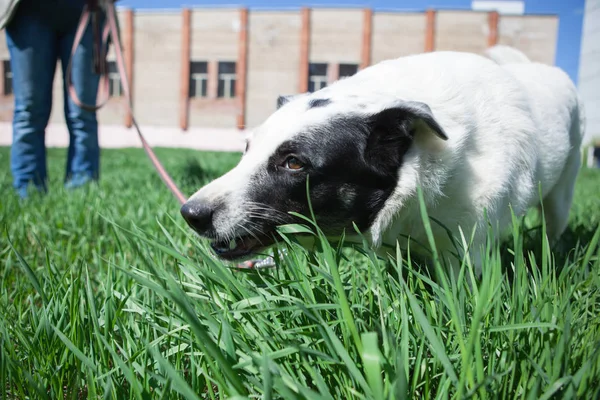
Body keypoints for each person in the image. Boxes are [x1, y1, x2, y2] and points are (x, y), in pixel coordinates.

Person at [1, 0, 102, 198]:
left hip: (85, 9)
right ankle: (28, 193)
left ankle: (82, 195)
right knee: (29, 110)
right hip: (25, 9)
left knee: (83, 111)